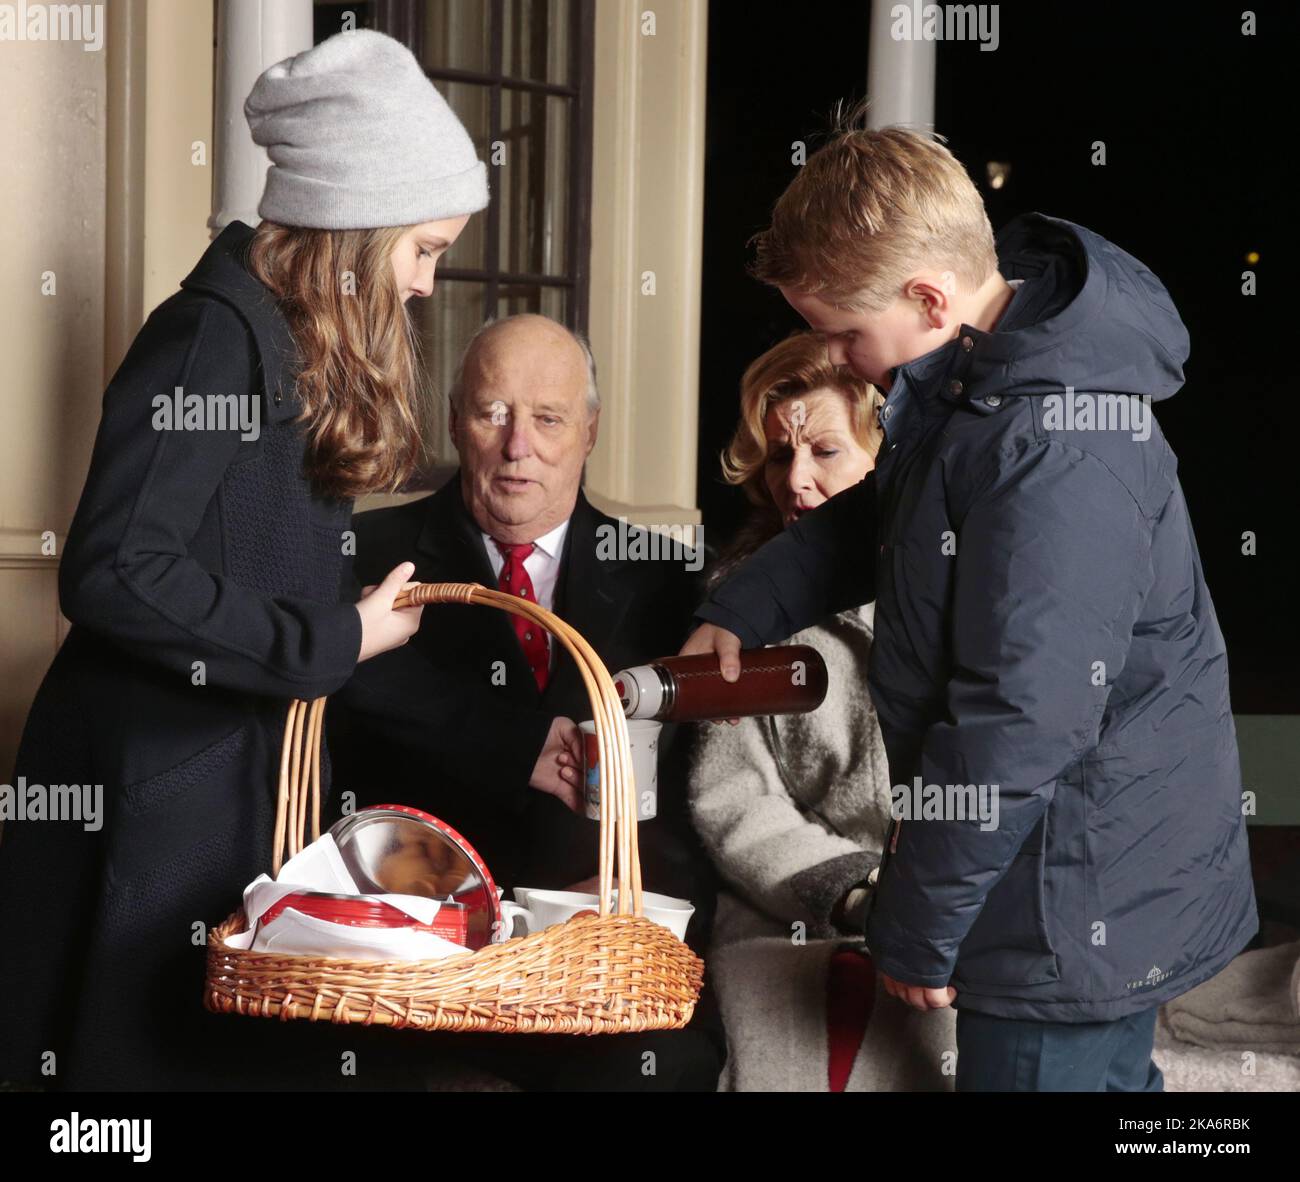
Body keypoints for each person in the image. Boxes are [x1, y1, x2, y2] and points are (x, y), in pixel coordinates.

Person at [682, 103, 1258, 1092]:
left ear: (925, 296)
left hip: (1069, 893)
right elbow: (881, 523)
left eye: (844, 334)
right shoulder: (975, 384)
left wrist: (914, 928)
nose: (840, 360)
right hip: (1044, 870)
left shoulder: (1053, 452)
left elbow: (1019, 718)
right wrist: (738, 611)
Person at [0, 29, 488, 1091]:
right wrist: (331, 634)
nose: (421, 285)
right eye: (423, 250)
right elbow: (114, 568)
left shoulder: (280, 346)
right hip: (146, 790)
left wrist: (350, 630)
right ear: (354, 232)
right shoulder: (212, 336)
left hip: (214, 785)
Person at [329, 313, 726, 1091]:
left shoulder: (678, 584)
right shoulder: (360, 558)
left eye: (548, 419)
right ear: (454, 421)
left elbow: (698, 798)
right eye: (492, 414)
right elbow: (330, 689)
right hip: (416, 980)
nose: (519, 447)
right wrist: (514, 744)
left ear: (590, 430)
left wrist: (626, 896)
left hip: (602, 981)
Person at [688, 331, 955, 1091]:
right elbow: (732, 800)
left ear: (886, 458)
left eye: (826, 452)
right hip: (791, 921)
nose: (796, 481)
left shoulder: (961, 597)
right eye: (779, 456)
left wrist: (927, 902)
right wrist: (852, 889)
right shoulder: (745, 615)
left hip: (945, 917)